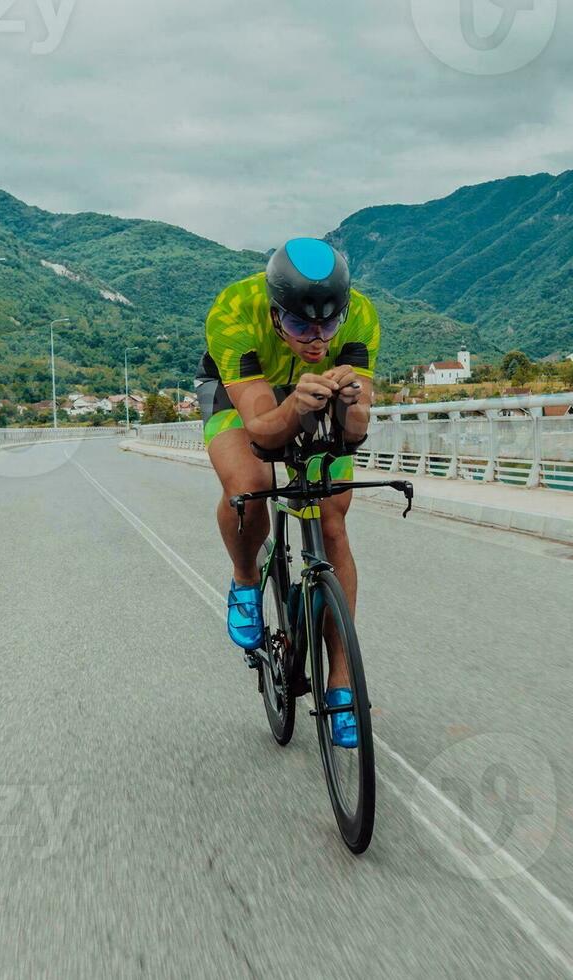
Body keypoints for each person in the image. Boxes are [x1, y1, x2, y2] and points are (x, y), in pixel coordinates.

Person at [199, 237, 378, 747]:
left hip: (314, 394)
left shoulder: (361, 315)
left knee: (331, 517)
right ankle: (244, 578)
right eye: (301, 326)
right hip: (242, 397)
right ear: (276, 314)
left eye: (329, 324)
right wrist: (297, 406)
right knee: (250, 485)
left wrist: (349, 403)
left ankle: (342, 684)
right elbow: (260, 430)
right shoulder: (235, 311)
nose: (318, 340)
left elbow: (357, 429)